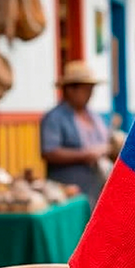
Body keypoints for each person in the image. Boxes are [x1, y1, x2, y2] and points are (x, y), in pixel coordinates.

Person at [40, 60, 111, 207]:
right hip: (67, 194)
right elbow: (49, 152)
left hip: (95, 190)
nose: (90, 94)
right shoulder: (54, 117)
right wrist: (85, 155)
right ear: (70, 90)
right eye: (86, 90)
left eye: (91, 89)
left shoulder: (94, 116)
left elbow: (106, 143)